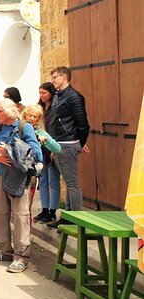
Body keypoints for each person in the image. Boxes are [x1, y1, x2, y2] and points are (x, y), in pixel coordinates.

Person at [0, 99, 42, 273]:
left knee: (20, 216)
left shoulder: (25, 127)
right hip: (1, 175)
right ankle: (5, 252)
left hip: (19, 178)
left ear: (10, 112)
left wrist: (11, 151)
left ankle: (21, 257)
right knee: (0, 213)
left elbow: (37, 153)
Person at [46, 66, 90, 229]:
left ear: (64, 77)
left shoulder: (74, 97)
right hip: (58, 143)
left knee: (72, 182)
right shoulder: (58, 95)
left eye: (55, 78)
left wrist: (80, 143)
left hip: (68, 144)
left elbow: (83, 124)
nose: (53, 81)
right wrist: (52, 145)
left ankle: (77, 220)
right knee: (67, 180)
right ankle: (67, 217)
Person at [21, 104, 62, 225]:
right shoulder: (19, 128)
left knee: (49, 184)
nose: (32, 118)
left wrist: (47, 140)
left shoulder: (40, 131)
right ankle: (44, 210)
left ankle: (50, 212)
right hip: (20, 169)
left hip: (38, 164)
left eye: (36, 116)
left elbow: (57, 148)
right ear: (25, 115)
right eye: (30, 115)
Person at [34, 82, 62, 223]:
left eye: (44, 93)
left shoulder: (56, 108)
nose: (41, 96)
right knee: (42, 180)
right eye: (40, 93)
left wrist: (53, 147)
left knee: (53, 180)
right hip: (41, 148)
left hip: (50, 145)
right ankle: (44, 209)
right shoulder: (39, 109)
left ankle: (52, 211)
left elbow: (57, 129)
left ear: (51, 93)